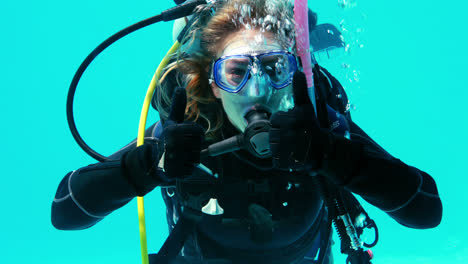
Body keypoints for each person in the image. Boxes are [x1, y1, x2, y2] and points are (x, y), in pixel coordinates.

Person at [51, 0, 443, 263]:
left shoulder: (321, 129)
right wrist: (149, 164)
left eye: (275, 68)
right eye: (237, 72)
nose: (257, 91)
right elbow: (65, 212)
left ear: (294, 75)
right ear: (214, 83)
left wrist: (332, 155)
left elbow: (425, 210)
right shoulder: (187, 130)